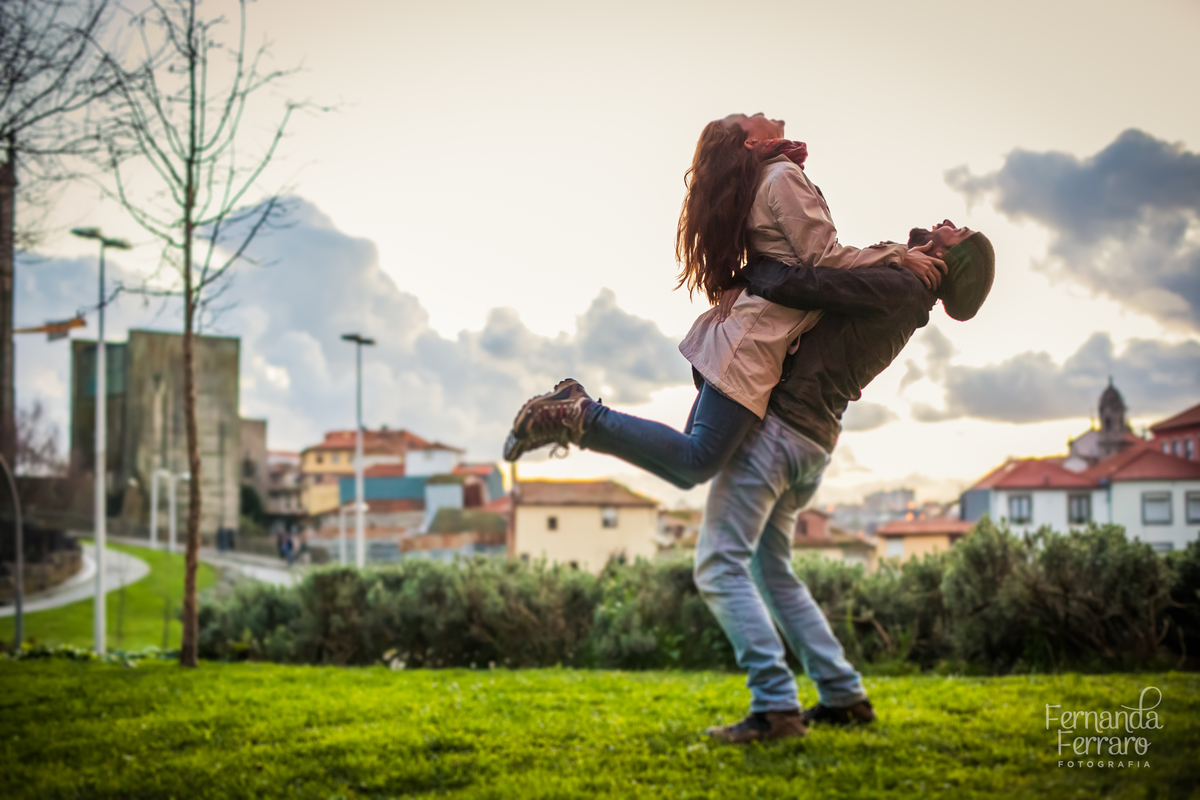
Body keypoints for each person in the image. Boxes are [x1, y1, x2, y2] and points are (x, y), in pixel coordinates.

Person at [503, 113, 944, 481]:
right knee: (696, 461)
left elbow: (805, 261)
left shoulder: (768, 178)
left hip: (747, 340)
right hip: (752, 348)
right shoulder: (782, 176)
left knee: (687, 469)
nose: (762, 112)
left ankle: (575, 416)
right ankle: (578, 414)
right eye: (748, 116)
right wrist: (899, 256)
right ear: (752, 141)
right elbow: (823, 258)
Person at [698, 221, 994, 743]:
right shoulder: (906, 292)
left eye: (957, 230)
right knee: (771, 570)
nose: (946, 222)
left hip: (782, 434)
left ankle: (775, 707)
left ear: (951, 259)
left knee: (719, 564)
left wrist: (748, 268)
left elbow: (806, 284)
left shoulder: (899, 287)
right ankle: (842, 694)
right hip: (811, 442)